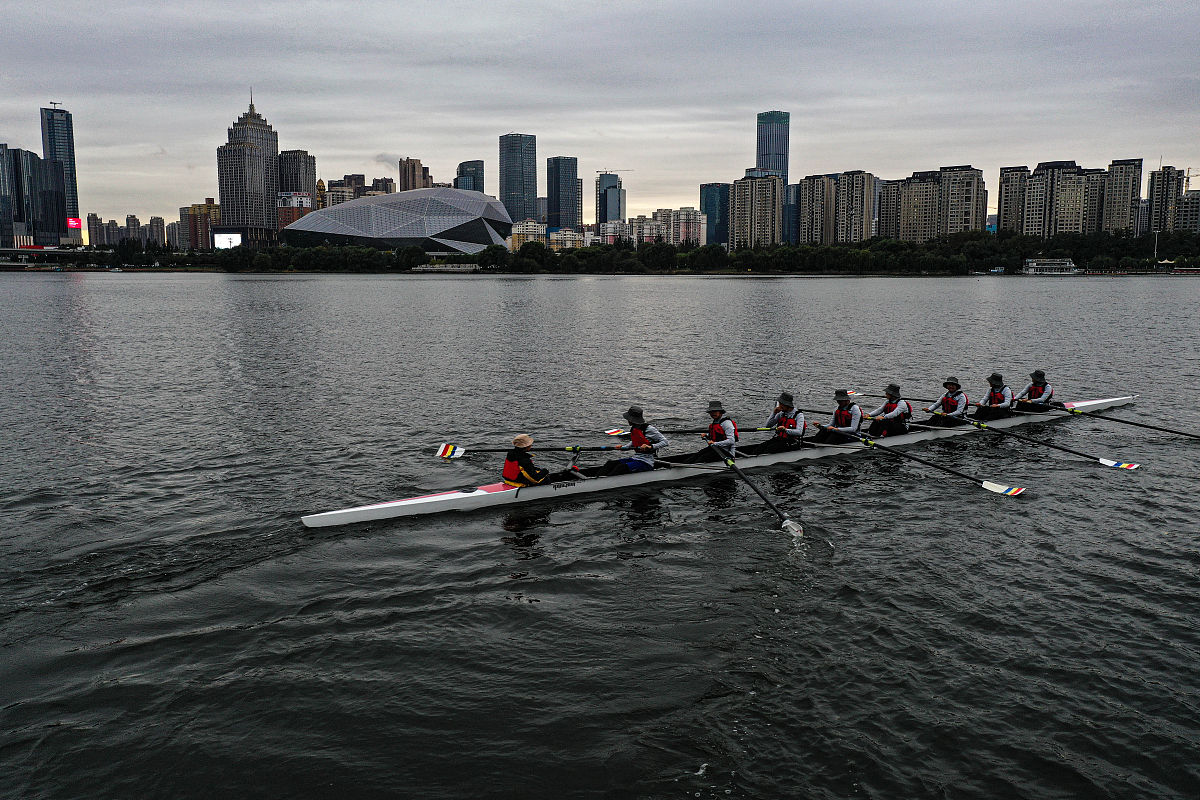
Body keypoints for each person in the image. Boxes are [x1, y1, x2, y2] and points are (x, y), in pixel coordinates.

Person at [592, 406, 669, 477]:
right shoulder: (634, 428)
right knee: (610, 463)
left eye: (628, 418)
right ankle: (595, 479)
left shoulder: (649, 429)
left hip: (646, 463)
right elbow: (634, 442)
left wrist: (650, 446)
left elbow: (665, 442)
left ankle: (605, 482)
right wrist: (623, 447)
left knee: (621, 467)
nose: (627, 420)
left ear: (632, 419)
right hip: (636, 459)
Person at [502, 434, 584, 487]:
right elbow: (535, 479)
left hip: (509, 481)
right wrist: (545, 471)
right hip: (520, 484)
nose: (531, 445)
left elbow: (522, 469)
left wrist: (539, 471)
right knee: (547, 477)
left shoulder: (511, 454)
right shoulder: (524, 460)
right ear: (526, 447)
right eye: (530, 444)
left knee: (542, 473)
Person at [739, 391, 806, 455]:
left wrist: (785, 430)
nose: (779, 406)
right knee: (759, 448)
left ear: (787, 405)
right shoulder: (781, 413)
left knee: (769, 450)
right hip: (779, 439)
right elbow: (768, 426)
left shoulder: (799, 415)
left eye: (781, 404)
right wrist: (774, 413)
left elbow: (799, 432)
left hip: (791, 442)